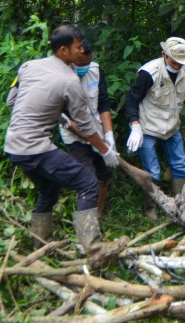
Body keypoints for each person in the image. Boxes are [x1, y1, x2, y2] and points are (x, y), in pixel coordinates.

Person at [4, 25, 126, 266]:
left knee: (48, 190)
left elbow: (11, 101)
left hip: (14, 146)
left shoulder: (29, 66)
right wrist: (106, 151)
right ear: (64, 50)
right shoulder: (70, 81)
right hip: (36, 148)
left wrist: (56, 116)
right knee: (88, 183)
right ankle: (93, 249)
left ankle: (41, 244)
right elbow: (87, 128)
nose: (81, 51)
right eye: (78, 47)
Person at [124, 37, 185, 220]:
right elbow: (131, 100)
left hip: (172, 128)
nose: (177, 66)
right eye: (174, 61)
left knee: (180, 166)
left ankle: (182, 206)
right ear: (164, 55)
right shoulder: (149, 73)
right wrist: (135, 126)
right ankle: (150, 208)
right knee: (152, 171)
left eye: (181, 63)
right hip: (148, 128)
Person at [58, 39, 115, 218]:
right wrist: (102, 147)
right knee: (87, 180)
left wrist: (109, 135)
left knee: (105, 175)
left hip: (97, 132)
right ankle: (86, 227)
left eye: (87, 63)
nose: (84, 67)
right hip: (75, 135)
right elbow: (66, 119)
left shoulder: (96, 71)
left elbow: (103, 104)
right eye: (80, 64)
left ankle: (98, 214)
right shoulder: (60, 78)